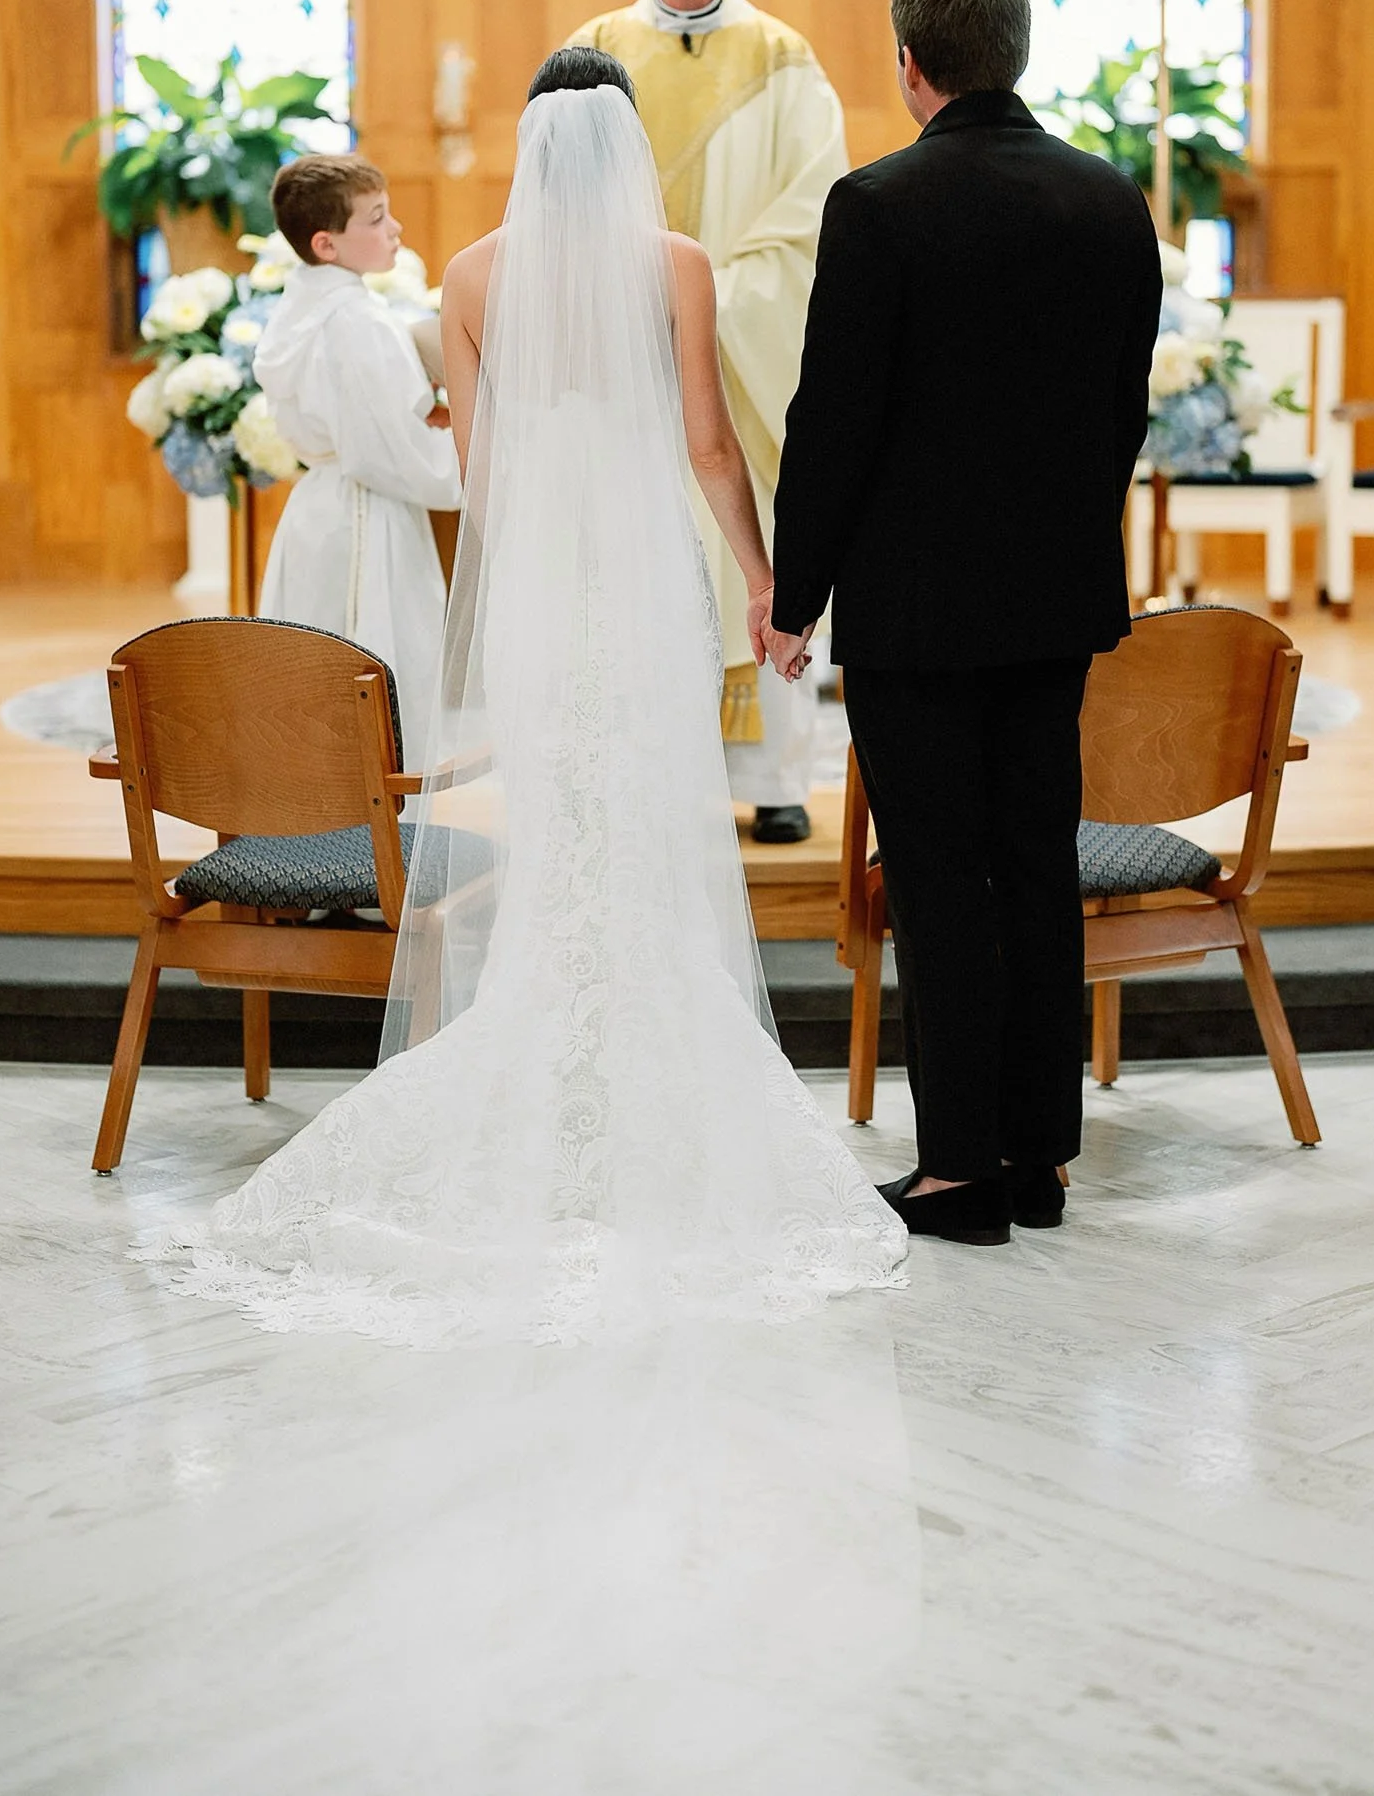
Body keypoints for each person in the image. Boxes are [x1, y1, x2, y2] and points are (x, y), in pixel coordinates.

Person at [137, 70, 906, 1346]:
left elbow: (481, 469)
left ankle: (552, 1038)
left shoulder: (476, 277)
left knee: (563, 811)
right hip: (650, 571)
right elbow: (712, 446)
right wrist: (767, 580)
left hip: (544, 577)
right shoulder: (674, 262)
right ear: (624, 150)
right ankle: (648, 1062)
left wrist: (524, 585)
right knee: (650, 802)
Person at [766, 0, 1163, 1248]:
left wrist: (795, 588)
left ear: (909, 63)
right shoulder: (1108, 199)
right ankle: (1039, 1159)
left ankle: (956, 1175)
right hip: (1052, 600)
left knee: (938, 879)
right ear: (1018, 53)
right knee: (1032, 866)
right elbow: (1120, 411)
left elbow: (836, 419)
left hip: (918, 612)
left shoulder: (877, 204)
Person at [565, 0, 846, 844]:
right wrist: (623, 297)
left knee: (755, 542)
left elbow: (813, 209)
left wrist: (713, 305)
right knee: (635, 556)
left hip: (738, 361)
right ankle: (649, 773)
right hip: (623, 356)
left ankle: (774, 780)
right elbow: (557, 189)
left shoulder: (782, 58)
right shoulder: (596, 47)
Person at [252, 154, 461, 757]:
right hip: (372, 518)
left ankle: (313, 829)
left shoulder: (301, 308)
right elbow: (396, 457)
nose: (394, 228)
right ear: (326, 244)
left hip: (318, 509)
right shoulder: (358, 322)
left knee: (311, 675)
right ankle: (372, 839)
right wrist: (470, 441)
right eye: (375, 218)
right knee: (376, 680)